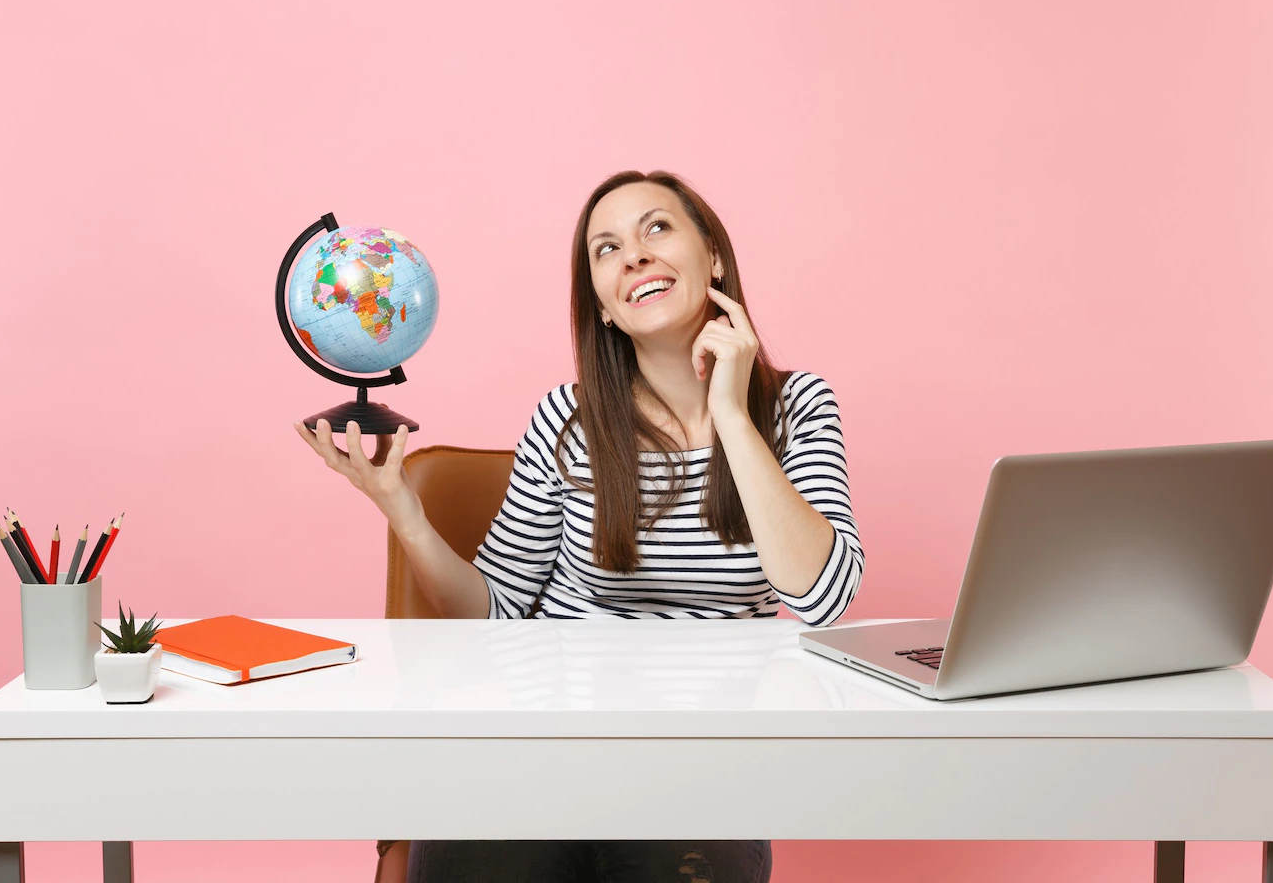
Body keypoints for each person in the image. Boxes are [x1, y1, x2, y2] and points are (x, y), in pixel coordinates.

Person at [295, 169, 865, 882]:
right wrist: (403, 511)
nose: (634, 255)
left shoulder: (798, 406)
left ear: (712, 255)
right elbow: (495, 612)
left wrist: (729, 412)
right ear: (601, 304)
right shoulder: (565, 420)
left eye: (657, 228)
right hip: (541, 750)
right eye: (607, 248)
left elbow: (823, 595)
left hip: (703, 770)